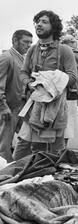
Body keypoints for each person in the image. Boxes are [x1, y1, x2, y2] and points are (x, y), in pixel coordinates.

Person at [19, 10, 77, 154]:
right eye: (38, 21)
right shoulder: (33, 50)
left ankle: (51, 176)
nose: (39, 24)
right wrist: (29, 84)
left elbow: (72, 77)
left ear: (54, 27)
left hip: (55, 109)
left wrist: (51, 83)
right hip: (33, 107)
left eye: (44, 22)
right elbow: (23, 72)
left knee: (55, 151)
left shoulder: (65, 50)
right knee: (28, 148)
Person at [0, 30, 33, 162]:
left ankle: (19, 169)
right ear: (15, 41)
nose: (29, 45)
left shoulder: (22, 59)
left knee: (27, 139)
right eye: (26, 42)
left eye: (30, 42)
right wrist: (3, 107)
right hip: (9, 108)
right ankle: (4, 177)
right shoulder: (6, 57)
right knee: (4, 145)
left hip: (21, 108)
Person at [60, 34, 78, 147]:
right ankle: (62, 152)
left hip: (66, 95)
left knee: (63, 130)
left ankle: (60, 153)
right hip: (72, 96)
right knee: (67, 130)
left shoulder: (68, 54)